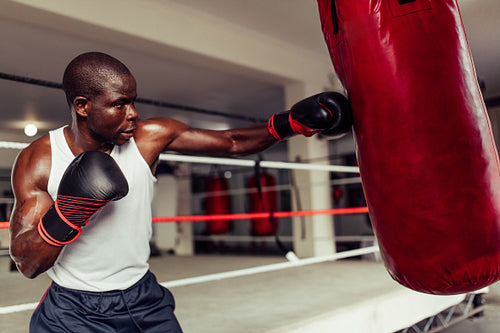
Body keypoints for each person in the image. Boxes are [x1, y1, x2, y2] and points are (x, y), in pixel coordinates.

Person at [9, 52, 352, 332]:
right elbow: (27, 262)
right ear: (83, 105)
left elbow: (232, 142)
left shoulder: (149, 137)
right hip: (73, 311)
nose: (133, 114)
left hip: (142, 297)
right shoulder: (39, 161)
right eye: (120, 104)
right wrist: (67, 214)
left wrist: (290, 123)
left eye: (134, 102)